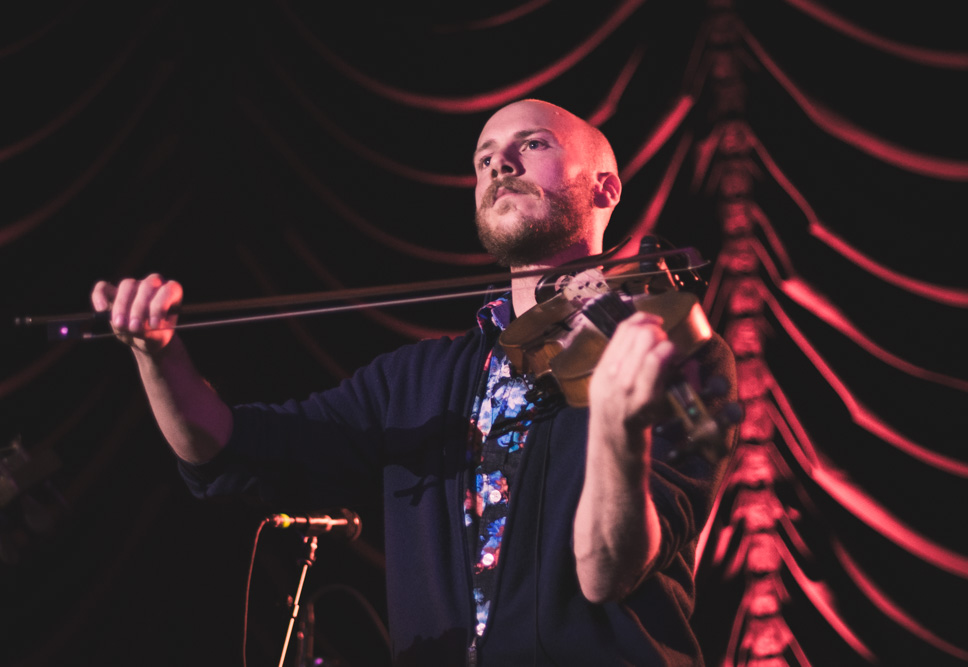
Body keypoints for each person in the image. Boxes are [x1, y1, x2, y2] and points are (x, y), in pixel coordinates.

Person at [91, 99, 737, 666]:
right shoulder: (414, 380)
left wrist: (619, 428)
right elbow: (227, 446)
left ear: (606, 188)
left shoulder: (666, 350)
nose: (498, 165)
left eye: (530, 145)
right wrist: (159, 354)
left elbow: (607, 571)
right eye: (484, 159)